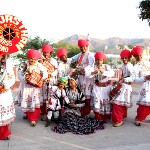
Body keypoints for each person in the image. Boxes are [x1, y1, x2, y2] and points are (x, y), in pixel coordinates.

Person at [16, 49, 48, 126]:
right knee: (26, 101)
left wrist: (39, 78)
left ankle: (33, 119)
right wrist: (25, 78)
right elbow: (19, 74)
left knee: (34, 102)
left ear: (36, 59)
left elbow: (45, 73)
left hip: (35, 87)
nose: (33, 61)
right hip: (26, 86)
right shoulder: (24, 64)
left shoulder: (39, 65)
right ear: (28, 58)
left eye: (34, 59)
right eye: (31, 59)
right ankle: (27, 114)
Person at [86, 51, 114, 122]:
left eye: (100, 60)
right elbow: (87, 75)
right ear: (95, 60)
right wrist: (93, 73)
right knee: (97, 101)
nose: (99, 61)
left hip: (106, 88)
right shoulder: (93, 67)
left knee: (105, 102)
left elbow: (112, 74)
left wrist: (103, 72)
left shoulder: (106, 66)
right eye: (97, 60)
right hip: (97, 88)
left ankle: (105, 116)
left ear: (103, 60)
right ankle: (98, 117)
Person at [70, 39, 95, 116]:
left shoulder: (90, 55)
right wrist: (65, 60)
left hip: (87, 78)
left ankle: (86, 111)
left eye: (84, 47)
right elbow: (72, 59)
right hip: (80, 77)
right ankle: (81, 111)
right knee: (81, 94)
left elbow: (91, 65)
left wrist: (84, 70)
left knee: (87, 94)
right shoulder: (80, 54)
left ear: (87, 46)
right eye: (81, 47)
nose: (82, 49)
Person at [111, 49, 134, 127]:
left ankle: (118, 120)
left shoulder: (129, 66)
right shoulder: (124, 66)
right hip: (122, 85)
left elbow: (133, 77)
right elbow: (122, 76)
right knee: (121, 102)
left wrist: (125, 80)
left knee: (117, 103)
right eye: (123, 58)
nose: (124, 59)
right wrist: (117, 81)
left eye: (126, 58)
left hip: (126, 86)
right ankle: (123, 115)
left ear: (129, 58)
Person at [131, 46, 150, 126]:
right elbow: (135, 79)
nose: (139, 57)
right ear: (134, 56)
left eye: (140, 55)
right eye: (137, 56)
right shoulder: (135, 67)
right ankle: (139, 118)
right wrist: (145, 78)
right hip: (145, 86)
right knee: (144, 104)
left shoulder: (148, 63)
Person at [40, 44, 58, 121]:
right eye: (44, 52)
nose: (45, 54)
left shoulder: (54, 61)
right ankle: (44, 112)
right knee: (43, 97)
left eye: (47, 52)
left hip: (51, 80)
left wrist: (51, 74)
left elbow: (57, 70)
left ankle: (51, 112)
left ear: (50, 53)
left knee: (51, 97)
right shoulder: (40, 61)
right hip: (43, 81)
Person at [0, 53, 16, 140]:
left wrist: (5, 86)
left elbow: (12, 78)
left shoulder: (7, 64)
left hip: (4, 92)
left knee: (3, 114)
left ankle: (3, 133)